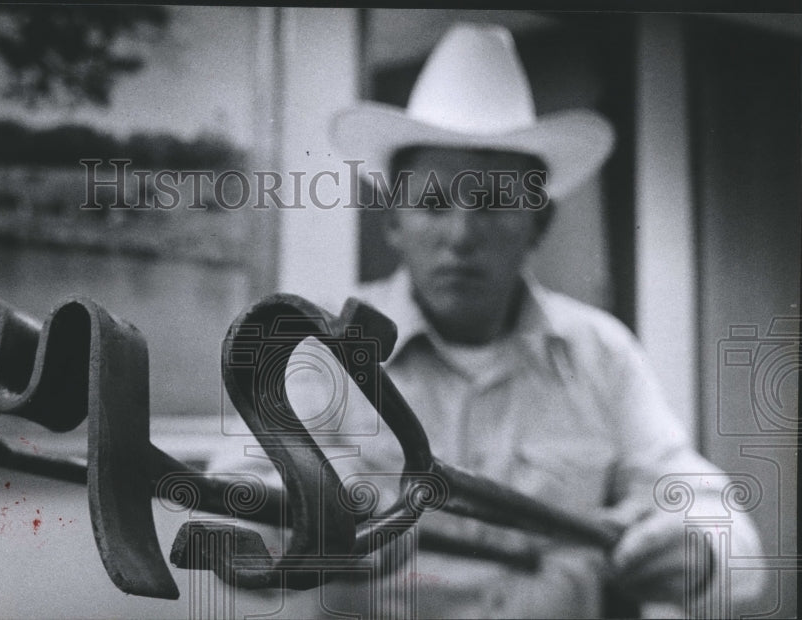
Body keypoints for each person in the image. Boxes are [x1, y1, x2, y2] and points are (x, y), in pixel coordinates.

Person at [210, 23, 763, 618]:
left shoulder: (602, 352)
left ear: (538, 226)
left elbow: (708, 508)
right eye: (432, 204)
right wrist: (293, 526)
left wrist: (702, 555)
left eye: (495, 204)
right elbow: (229, 526)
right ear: (393, 222)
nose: (462, 236)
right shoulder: (320, 354)